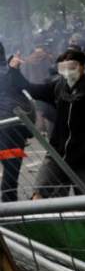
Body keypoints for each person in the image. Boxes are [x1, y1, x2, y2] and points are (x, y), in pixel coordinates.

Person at [8, 49, 85, 201]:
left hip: (84, 158)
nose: (68, 71)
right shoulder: (57, 87)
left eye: (72, 66)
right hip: (57, 154)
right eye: (63, 67)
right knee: (39, 193)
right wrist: (14, 70)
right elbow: (31, 89)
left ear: (82, 67)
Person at [0, 43, 35, 202]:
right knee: (11, 167)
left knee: (10, 165)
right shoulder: (9, 71)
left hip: (9, 126)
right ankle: (9, 202)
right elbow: (23, 92)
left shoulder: (8, 70)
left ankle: (9, 201)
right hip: (11, 128)